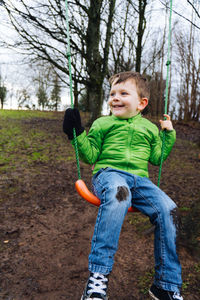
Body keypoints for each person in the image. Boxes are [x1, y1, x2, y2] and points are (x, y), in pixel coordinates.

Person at [63, 71, 183, 300]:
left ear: (141, 103)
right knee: (120, 193)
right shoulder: (102, 123)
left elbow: (157, 158)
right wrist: (76, 134)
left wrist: (169, 135)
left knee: (169, 209)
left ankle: (166, 284)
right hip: (108, 175)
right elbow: (90, 155)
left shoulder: (149, 129)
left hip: (141, 182)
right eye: (112, 94)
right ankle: (97, 279)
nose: (114, 98)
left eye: (123, 93)